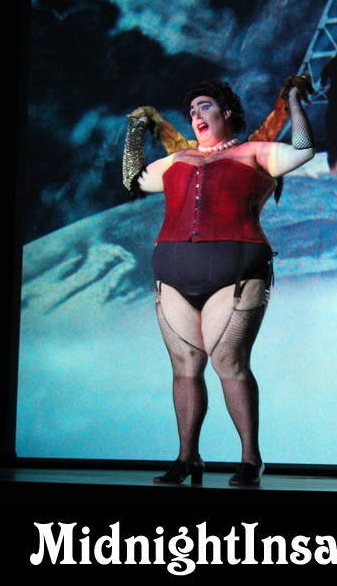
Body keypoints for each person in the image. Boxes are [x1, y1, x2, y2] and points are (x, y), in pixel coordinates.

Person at [122, 79, 314, 486]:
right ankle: (187, 457)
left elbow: (302, 150)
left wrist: (295, 102)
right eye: (192, 110)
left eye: (204, 106)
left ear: (226, 113)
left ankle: (250, 459)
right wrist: (136, 129)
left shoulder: (254, 152)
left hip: (237, 271)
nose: (196, 115)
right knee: (184, 367)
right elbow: (132, 180)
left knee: (228, 360)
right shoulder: (178, 160)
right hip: (174, 273)